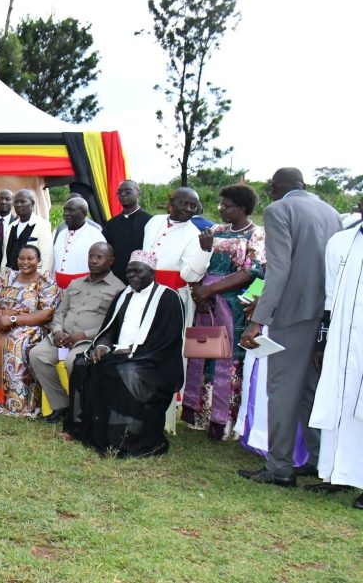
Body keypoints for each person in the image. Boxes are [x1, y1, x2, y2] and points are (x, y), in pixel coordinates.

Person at [238, 168, 342, 487]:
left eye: (271, 188)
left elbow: (279, 269)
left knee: (282, 390)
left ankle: (280, 467)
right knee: (311, 389)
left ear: (277, 188)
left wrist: (258, 322)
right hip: (326, 315)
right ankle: (317, 458)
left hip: (293, 313)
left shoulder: (279, 209)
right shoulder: (331, 211)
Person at [67, 250, 186, 457]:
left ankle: (125, 437)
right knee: (82, 364)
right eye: (129, 272)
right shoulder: (123, 295)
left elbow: (168, 340)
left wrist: (135, 353)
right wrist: (102, 345)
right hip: (119, 353)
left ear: (151, 272)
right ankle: (82, 428)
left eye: (137, 271)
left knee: (125, 372)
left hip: (152, 360)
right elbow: (108, 329)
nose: (132, 276)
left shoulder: (168, 298)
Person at [184, 184, 266, 439]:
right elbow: (196, 262)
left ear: (242, 208)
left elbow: (254, 272)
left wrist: (210, 291)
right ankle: (198, 416)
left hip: (233, 305)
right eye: (220, 204)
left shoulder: (256, 234)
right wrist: (199, 291)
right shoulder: (215, 231)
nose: (220, 209)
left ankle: (223, 422)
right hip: (205, 304)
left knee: (227, 361)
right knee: (202, 355)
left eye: (226, 205)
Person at [29, 242, 124, 423]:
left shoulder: (118, 289)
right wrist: (57, 331)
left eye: (99, 257)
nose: (94, 261)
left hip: (89, 341)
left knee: (75, 361)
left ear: (111, 261)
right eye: (91, 256)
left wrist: (85, 335)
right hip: (61, 337)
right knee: (37, 355)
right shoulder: (76, 283)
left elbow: (113, 323)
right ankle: (61, 405)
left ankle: (80, 411)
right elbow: (61, 311)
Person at [307, 226, 363, 510]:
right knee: (340, 401)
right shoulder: (342, 241)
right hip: (342, 339)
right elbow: (329, 298)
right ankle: (338, 472)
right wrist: (322, 342)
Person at [0, 245, 59, 417]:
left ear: (38, 261)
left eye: (30, 258)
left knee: (15, 344)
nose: (25, 262)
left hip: (29, 326)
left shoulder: (45, 282)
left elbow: (47, 313)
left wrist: (13, 320)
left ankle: (17, 403)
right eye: (21, 258)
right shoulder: (7, 277)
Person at [142, 187, 212, 325]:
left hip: (172, 294)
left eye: (193, 206)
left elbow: (190, 276)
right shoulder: (154, 221)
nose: (189, 209)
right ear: (172, 203)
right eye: (184, 203)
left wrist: (205, 251)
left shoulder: (193, 234)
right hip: (144, 288)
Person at [103, 180, 152, 284]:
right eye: (119, 192)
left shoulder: (150, 222)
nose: (123, 194)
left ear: (139, 193)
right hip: (114, 279)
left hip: (140, 278)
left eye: (128, 191)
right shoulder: (111, 223)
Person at [52, 198, 106, 289]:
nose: (66, 213)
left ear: (85, 213)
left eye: (71, 210)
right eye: (65, 210)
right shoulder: (61, 233)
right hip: (58, 288)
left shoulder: (95, 235)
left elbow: (102, 265)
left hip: (83, 288)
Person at [3, 189, 53, 275]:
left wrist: (42, 280)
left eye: (23, 202)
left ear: (32, 203)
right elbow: (5, 256)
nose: (18, 205)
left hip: (32, 277)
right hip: (10, 277)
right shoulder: (12, 226)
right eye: (16, 202)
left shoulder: (42, 225)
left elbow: (47, 258)